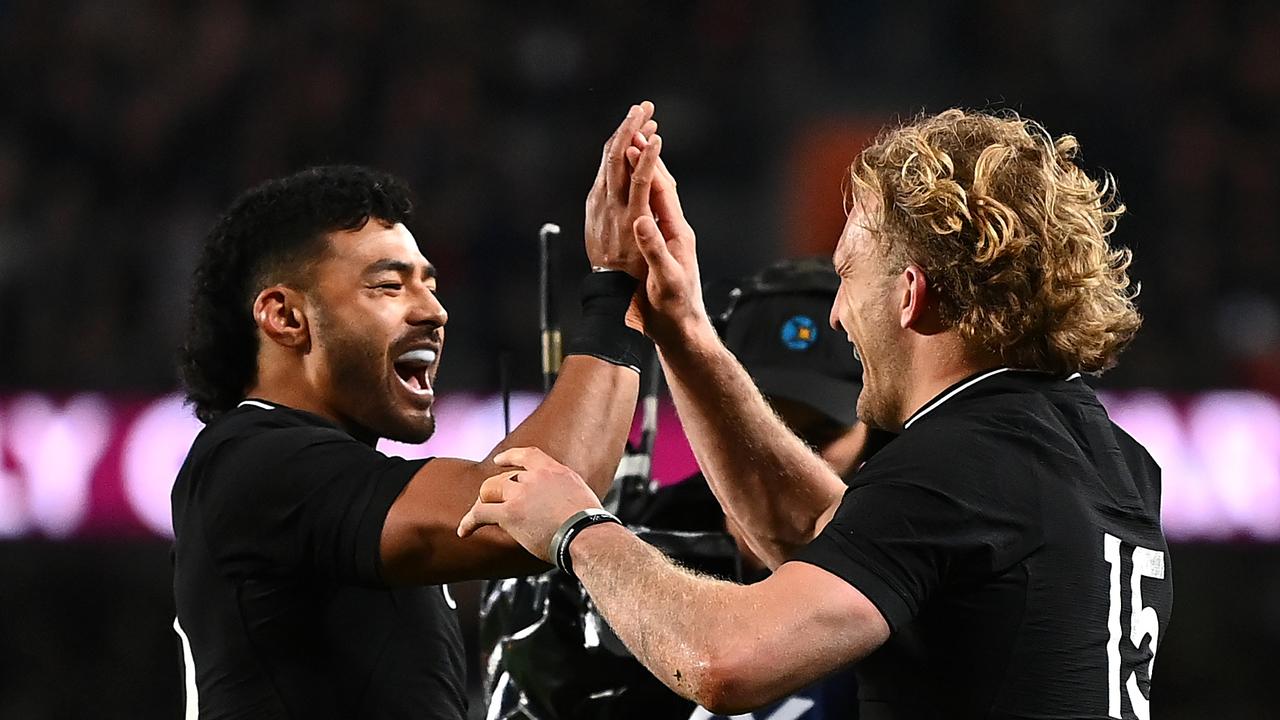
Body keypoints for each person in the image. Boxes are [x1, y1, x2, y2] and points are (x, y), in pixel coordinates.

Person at [457, 108, 1172, 719]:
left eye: (846, 274)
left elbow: (722, 662)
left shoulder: (962, 462)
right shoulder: (1100, 456)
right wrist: (681, 327)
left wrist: (578, 530)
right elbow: (818, 533)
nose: (836, 313)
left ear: (909, 294)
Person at [170, 102, 664, 719]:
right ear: (286, 317)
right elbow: (531, 502)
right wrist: (615, 288)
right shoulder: (250, 458)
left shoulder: (327, 498)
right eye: (388, 285)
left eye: (430, 283)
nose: (434, 311)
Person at [482, 258, 871, 720]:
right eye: (763, 424)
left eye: (819, 435)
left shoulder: (906, 558)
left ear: (874, 430)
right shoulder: (626, 552)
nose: (780, 458)